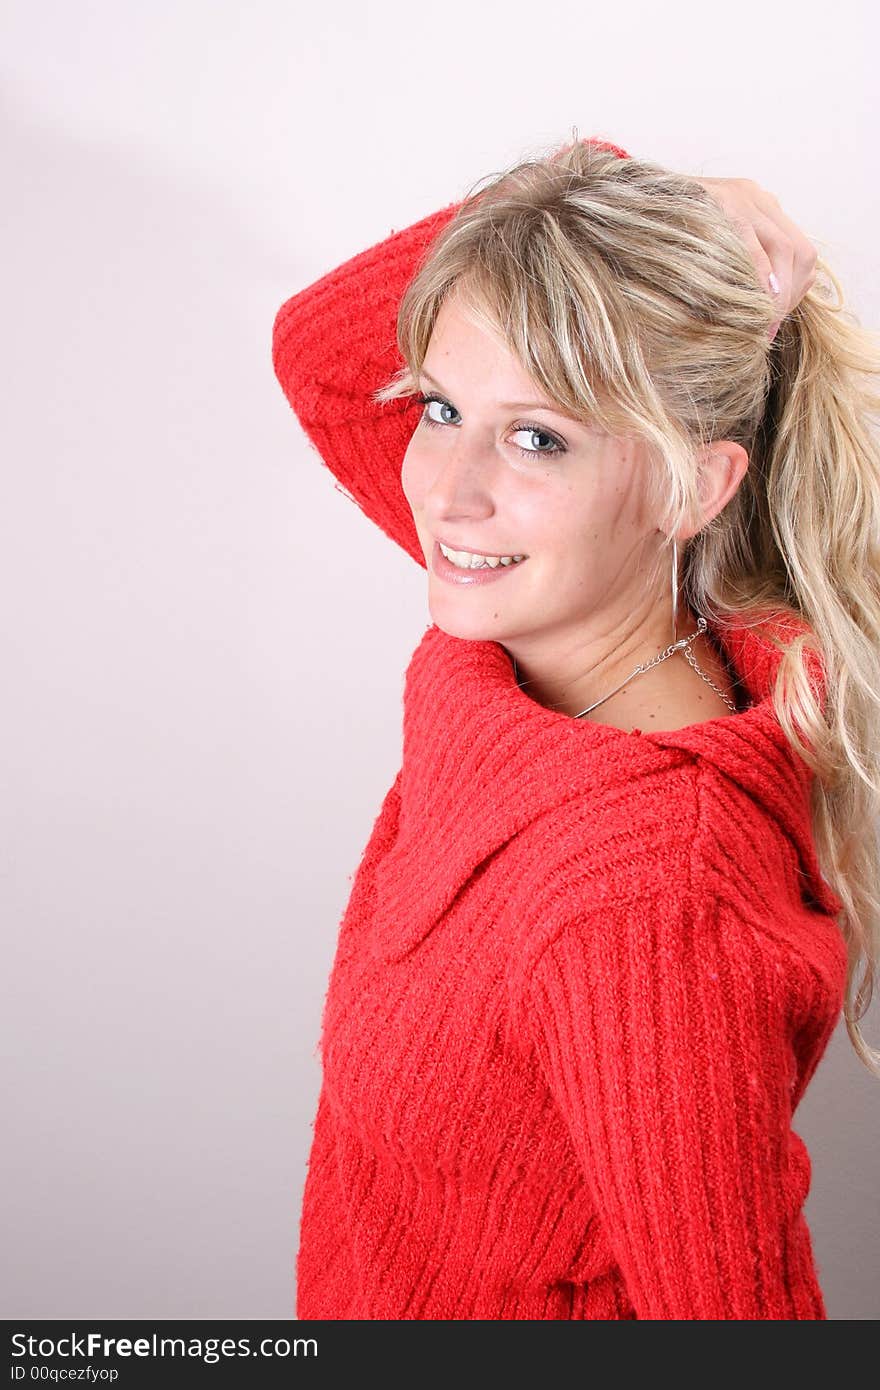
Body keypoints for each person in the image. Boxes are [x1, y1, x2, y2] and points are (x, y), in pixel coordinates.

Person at [271, 133, 880, 1320]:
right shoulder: (533, 617)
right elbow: (324, 358)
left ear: (692, 487)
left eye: (539, 436)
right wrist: (619, 196)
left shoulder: (652, 896)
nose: (447, 490)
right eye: (442, 408)